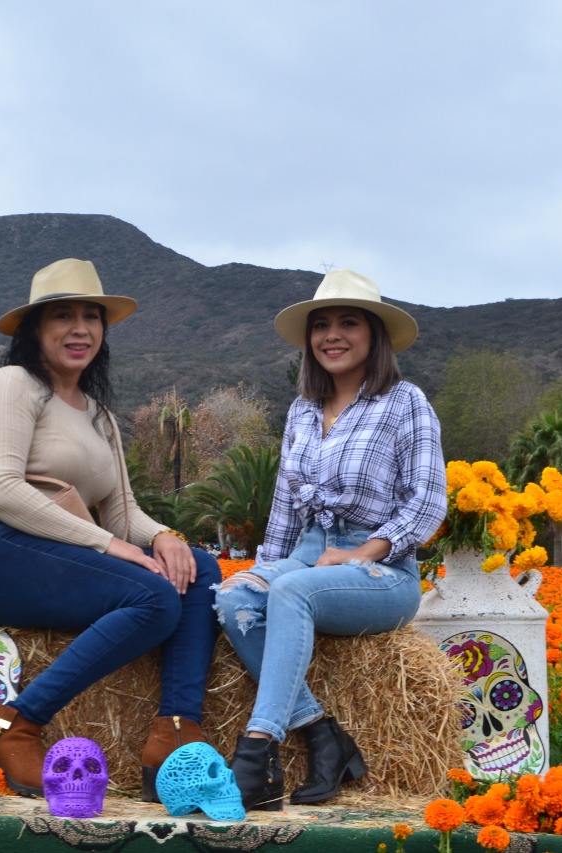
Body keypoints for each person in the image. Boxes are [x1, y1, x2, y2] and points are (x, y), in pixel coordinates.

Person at [0, 258, 221, 800]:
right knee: (153, 598)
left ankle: (173, 734)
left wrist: (164, 535)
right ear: (35, 329)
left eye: (91, 317)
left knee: (200, 568)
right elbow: (3, 489)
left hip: (57, 553)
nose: (80, 329)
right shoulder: (15, 384)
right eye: (62, 316)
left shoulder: (100, 416)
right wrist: (109, 543)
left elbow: (123, 513)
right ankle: (17, 725)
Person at [214, 269, 447, 811]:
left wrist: (364, 550)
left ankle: (256, 753)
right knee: (234, 597)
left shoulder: (405, 402)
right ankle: (324, 736)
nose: (331, 335)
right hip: (306, 551)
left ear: (374, 335)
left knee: (292, 592)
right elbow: (284, 507)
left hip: (383, 569)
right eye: (321, 325)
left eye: (348, 322)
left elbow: (427, 500)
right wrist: (264, 569)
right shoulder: (301, 410)